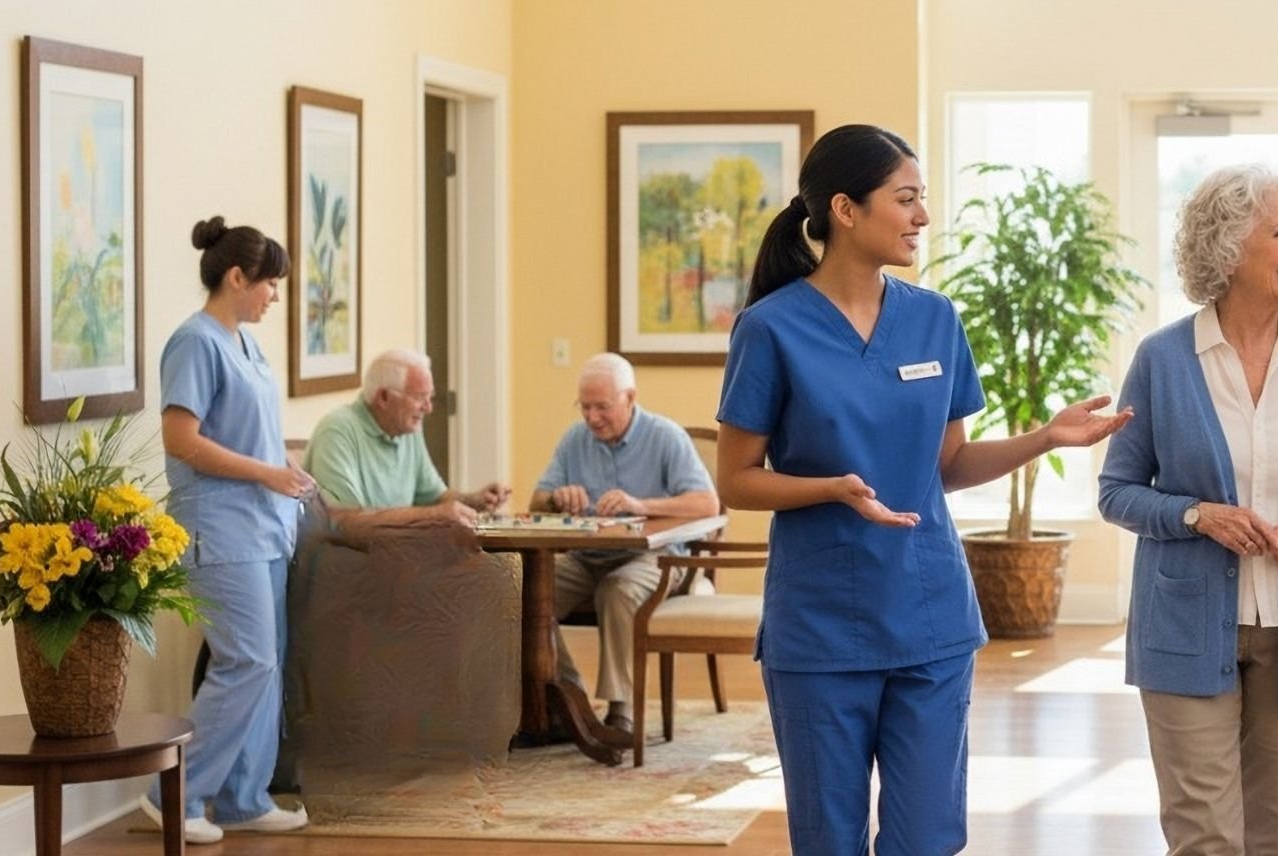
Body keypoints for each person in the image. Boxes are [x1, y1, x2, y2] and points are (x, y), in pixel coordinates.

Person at [715, 123, 1131, 854]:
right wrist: (831, 489)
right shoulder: (771, 328)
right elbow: (736, 481)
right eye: (906, 199)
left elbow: (950, 466)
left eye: (923, 199)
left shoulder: (934, 320)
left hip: (929, 616)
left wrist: (1043, 437)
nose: (923, 218)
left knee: (929, 838)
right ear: (845, 210)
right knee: (830, 840)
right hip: (820, 627)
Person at [1098, 164, 1278, 856]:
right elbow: (1117, 490)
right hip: (1185, 628)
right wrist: (1197, 516)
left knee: (1276, 836)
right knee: (1204, 836)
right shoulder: (1163, 359)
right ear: (1227, 248)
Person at [140, 217, 316, 844]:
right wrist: (269, 474)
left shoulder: (245, 342)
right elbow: (183, 441)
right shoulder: (194, 342)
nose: (275, 295)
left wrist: (288, 471)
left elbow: (251, 435)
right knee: (245, 660)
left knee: (265, 666)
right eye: (270, 284)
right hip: (219, 528)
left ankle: (244, 796)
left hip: (264, 529)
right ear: (237, 277)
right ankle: (176, 794)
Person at [530, 352, 719, 736]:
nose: (592, 417)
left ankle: (622, 712)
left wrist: (640, 505)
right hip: (587, 556)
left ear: (629, 398)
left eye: (602, 407)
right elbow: (536, 501)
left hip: (656, 558)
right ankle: (568, 700)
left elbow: (707, 504)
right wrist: (557, 499)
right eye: (585, 407)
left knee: (617, 590)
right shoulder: (574, 440)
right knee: (526, 597)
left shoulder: (665, 436)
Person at [304, 349, 511, 530]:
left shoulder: (406, 428)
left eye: (430, 397)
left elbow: (434, 497)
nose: (428, 408)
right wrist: (433, 515)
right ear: (384, 397)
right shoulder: (337, 431)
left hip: (396, 554)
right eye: (420, 397)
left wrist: (474, 500)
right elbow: (343, 519)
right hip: (345, 562)